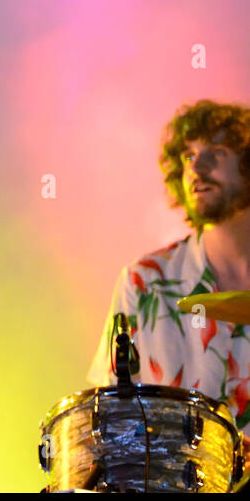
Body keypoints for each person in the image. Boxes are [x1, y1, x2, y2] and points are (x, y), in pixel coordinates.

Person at [88, 99, 250, 431]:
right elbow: (108, 422)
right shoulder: (145, 281)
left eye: (216, 152)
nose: (196, 167)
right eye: (188, 156)